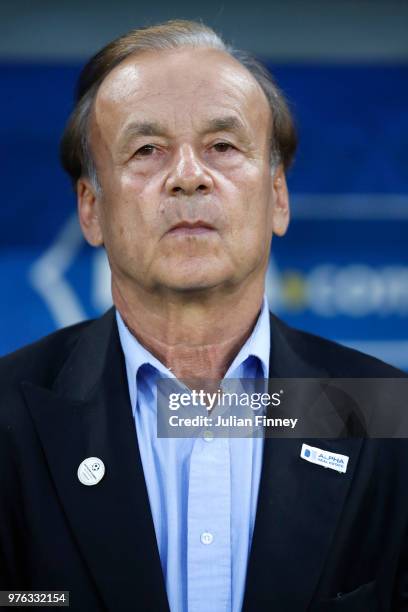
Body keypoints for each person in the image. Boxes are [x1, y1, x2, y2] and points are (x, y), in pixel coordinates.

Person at [0, 19, 407, 612]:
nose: (189, 176)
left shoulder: (388, 415)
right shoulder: (9, 415)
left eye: (222, 146)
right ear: (91, 209)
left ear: (279, 196)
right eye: (146, 151)